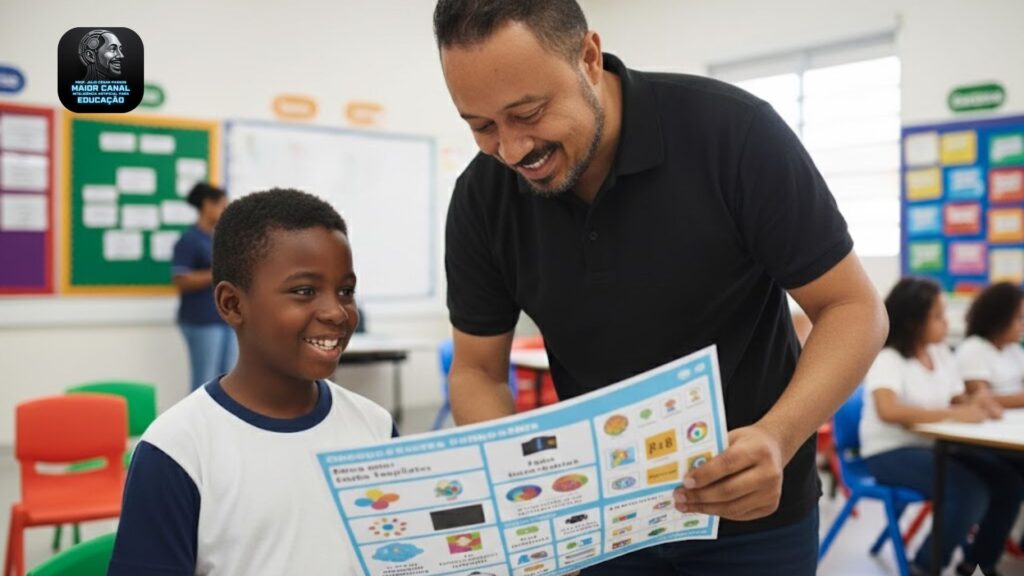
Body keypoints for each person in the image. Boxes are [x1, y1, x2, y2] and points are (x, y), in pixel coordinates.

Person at [433, 1, 887, 573]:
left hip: (752, 519)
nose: (513, 149)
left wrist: (778, 436)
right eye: (481, 126)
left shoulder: (733, 134)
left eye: (529, 112)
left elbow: (853, 306)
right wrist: (523, 483)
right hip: (599, 524)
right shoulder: (482, 197)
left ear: (589, 58)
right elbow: (476, 368)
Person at [109, 188, 397, 575]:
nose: (336, 311)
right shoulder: (177, 450)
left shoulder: (376, 427)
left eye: (346, 291)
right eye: (304, 291)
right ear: (232, 304)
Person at [861, 277, 1022, 576]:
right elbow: (888, 410)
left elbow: (959, 399)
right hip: (889, 451)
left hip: (932, 446)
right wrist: (955, 413)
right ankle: (924, 566)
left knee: (1008, 482)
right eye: (938, 316)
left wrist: (979, 402)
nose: (947, 322)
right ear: (913, 322)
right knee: (969, 492)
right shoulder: (888, 357)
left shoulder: (941, 353)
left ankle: (977, 563)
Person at [172, 183, 237, 392]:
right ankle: (200, 425)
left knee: (231, 378)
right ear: (207, 205)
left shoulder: (222, 239)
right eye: (222, 205)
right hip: (201, 320)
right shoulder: (189, 240)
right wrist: (218, 272)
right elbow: (181, 280)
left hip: (227, 319)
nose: (225, 210)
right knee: (205, 379)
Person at [956, 282, 1024, 408]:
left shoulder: (1013, 349)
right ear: (1000, 318)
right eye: (1019, 318)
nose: (1023, 325)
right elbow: (981, 399)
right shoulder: (973, 349)